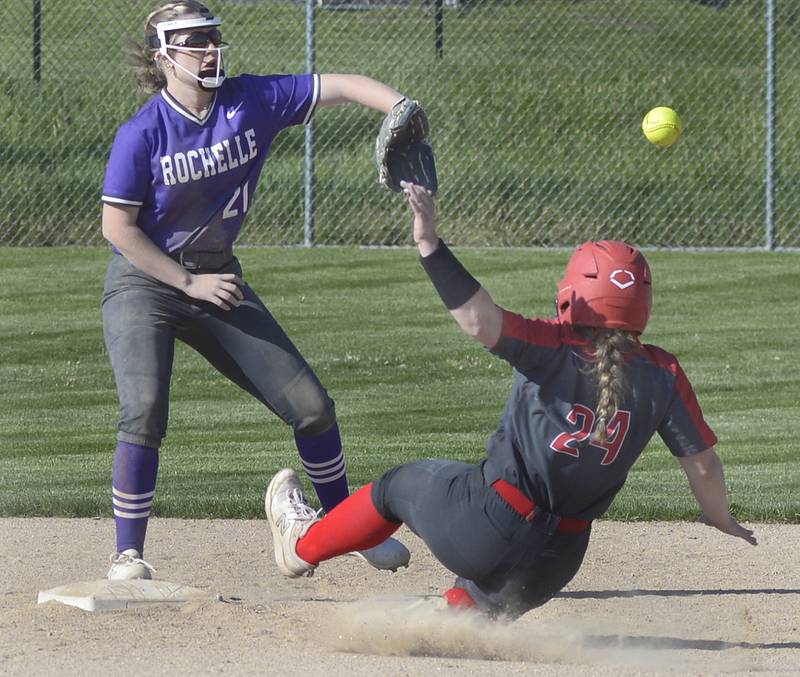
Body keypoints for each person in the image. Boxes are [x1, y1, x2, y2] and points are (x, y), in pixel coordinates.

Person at [264, 182, 757, 619]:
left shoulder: (554, 345)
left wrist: (428, 243)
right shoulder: (664, 373)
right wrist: (718, 517)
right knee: (474, 606)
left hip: (484, 525)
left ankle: (300, 548)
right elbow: (704, 466)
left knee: (396, 487)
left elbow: (479, 320)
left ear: (572, 295)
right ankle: (461, 614)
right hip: (556, 564)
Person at [101, 0, 413, 579]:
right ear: (162, 56)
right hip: (146, 284)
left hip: (216, 276)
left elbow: (339, 84)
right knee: (143, 410)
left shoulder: (251, 100)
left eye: (213, 37)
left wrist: (399, 105)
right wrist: (187, 281)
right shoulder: (142, 133)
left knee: (313, 407)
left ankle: (345, 523)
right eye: (194, 41)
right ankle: (128, 555)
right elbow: (117, 229)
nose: (210, 49)